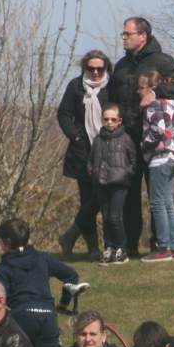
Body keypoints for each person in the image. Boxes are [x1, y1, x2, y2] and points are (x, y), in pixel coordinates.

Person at [112, 16, 174, 258]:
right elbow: (113, 99)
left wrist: (155, 92)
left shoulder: (162, 61)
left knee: (159, 198)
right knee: (129, 194)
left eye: (128, 34)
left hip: (154, 143)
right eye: (123, 34)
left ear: (143, 36)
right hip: (127, 140)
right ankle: (130, 246)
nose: (123, 38)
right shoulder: (121, 66)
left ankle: (160, 245)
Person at [0, 218, 87, 347]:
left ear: (7, 242)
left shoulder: (3, 268)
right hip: (47, 316)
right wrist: (64, 302)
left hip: (21, 317)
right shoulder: (44, 258)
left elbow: (0, 298)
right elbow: (71, 275)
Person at [56, 49, 113, 261]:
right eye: (91, 68)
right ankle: (93, 248)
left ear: (106, 68)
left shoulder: (112, 86)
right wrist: (77, 136)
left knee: (101, 199)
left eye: (100, 68)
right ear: (85, 68)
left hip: (108, 150)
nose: (96, 72)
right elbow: (64, 114)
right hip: (83, 152)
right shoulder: (75, 86)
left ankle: (70, 236)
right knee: (87, 200)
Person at [137, 71, 174, 263]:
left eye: (141, 88)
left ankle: (163, 247)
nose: (138, 91)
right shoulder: (172, 106)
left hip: (161, 157)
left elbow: (156, 131)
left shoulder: (154, 105)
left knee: (157, 203)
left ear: (152, 89)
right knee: (168, 203)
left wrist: (143, 146)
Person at [89, 103, 137, 266]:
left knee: (115, 217)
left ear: (119, 120)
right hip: (102, 184)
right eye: (106, 119)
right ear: (102, 120)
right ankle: (109, 248)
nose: (109, 122)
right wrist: (93, 172)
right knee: (106, 217)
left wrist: (127, 174)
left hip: (119, 184)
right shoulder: (98, 139)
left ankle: (121, 249)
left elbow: (134, 160)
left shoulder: (125, 139)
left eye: (113, 119)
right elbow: (90, 159)